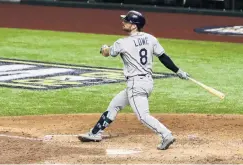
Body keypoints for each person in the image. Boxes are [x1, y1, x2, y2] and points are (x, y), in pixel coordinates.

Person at [78, 10, 189, 150]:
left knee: (143, 116)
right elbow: (163, 57)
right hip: (147, 83)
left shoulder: (122, 43)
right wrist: (178, 71)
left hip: (135, 84)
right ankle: (96, 133)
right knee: (115, 105)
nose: (123, 23)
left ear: (134, 25)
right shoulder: (150, 38)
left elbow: (107, 53)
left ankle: (166, 134)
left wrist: (103, 48)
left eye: (127, 21)